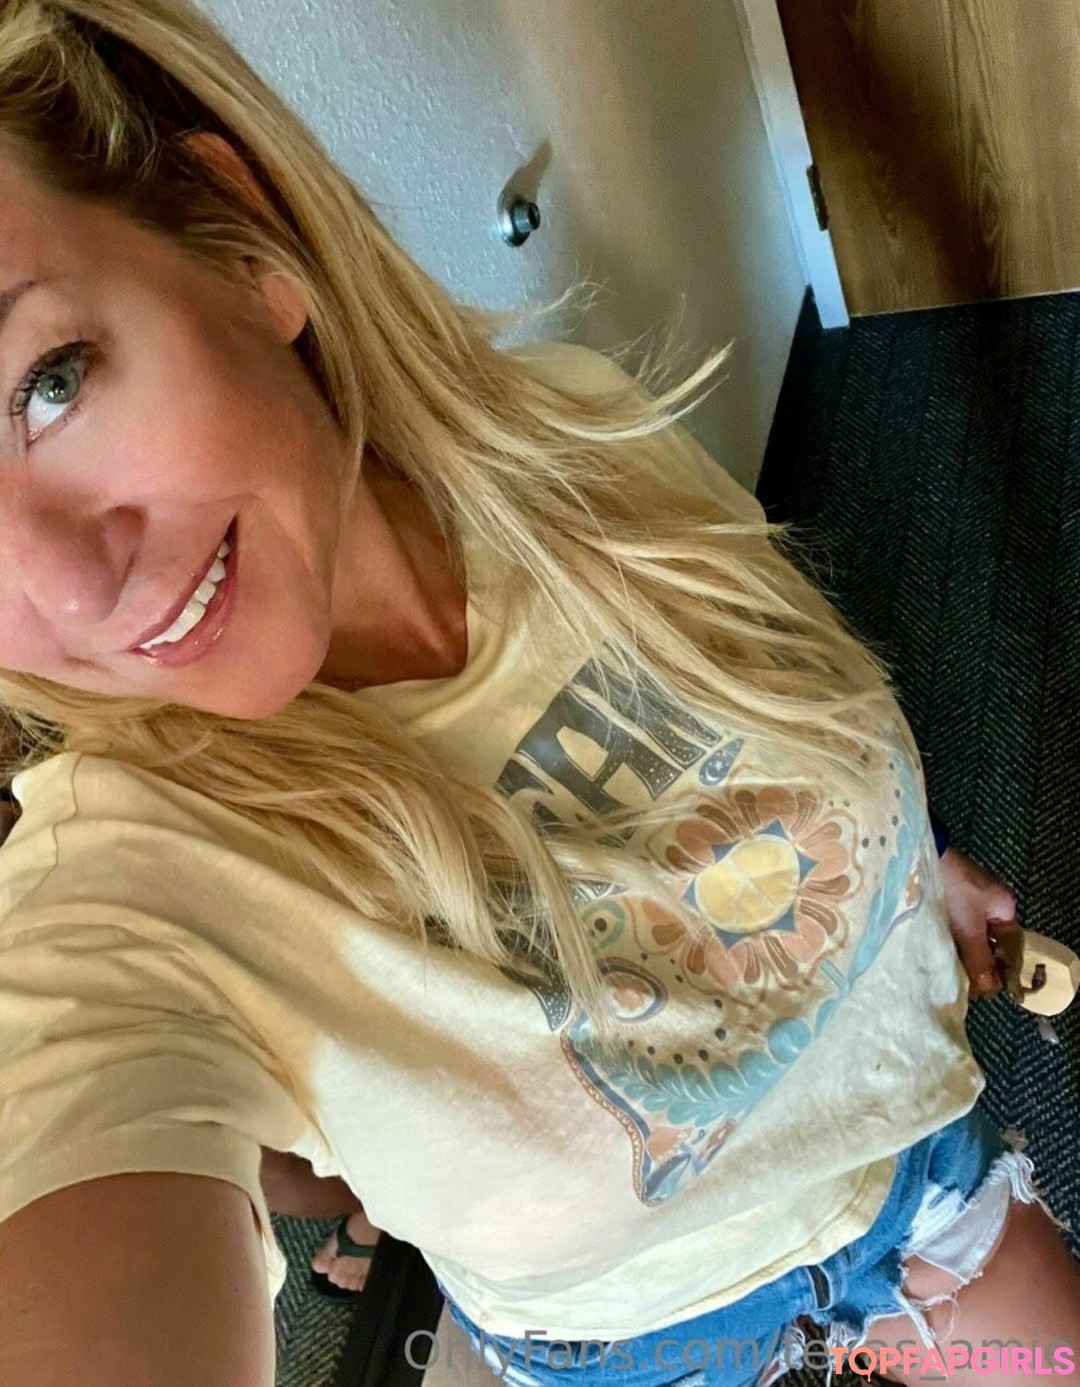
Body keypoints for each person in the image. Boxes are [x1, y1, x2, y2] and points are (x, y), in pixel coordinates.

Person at [0, 3, 1075, 1384]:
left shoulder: (578, 434)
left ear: (240, 245)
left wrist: (906, 872)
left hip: (909, 1161)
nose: (70, 593)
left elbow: (778, 717)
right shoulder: (112, 896)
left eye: (48, 385)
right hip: (638, 1347)